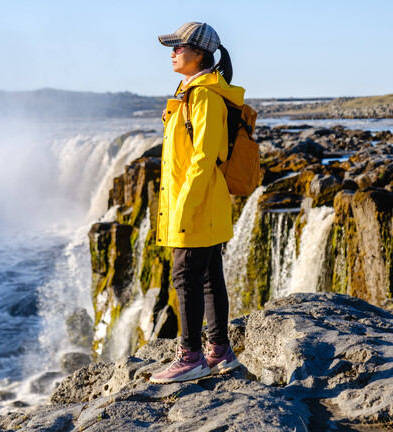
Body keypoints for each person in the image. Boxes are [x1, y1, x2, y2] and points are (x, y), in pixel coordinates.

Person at [149, 22, 244, 384]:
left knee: (185, 275)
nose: (172, 53)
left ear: (199, 54)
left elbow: (204, 158)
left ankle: (190, 358)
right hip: (201, 202)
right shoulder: (191, 92)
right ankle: (219, 351)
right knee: (207, 275)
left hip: (196, 204)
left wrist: (183, 208)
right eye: (171, 47)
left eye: (178, 47)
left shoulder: (204, 96)